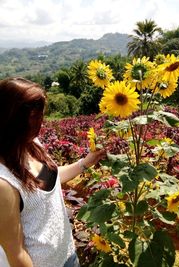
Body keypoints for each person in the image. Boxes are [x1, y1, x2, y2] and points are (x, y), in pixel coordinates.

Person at [0, 77, 105, 267]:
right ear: (11, 119)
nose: (42, 121)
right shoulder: (4, 183)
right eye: (35, 116)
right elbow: (16, 254)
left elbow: (49, 181)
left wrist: (85, 162)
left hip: (67, 255)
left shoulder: (32, 145)